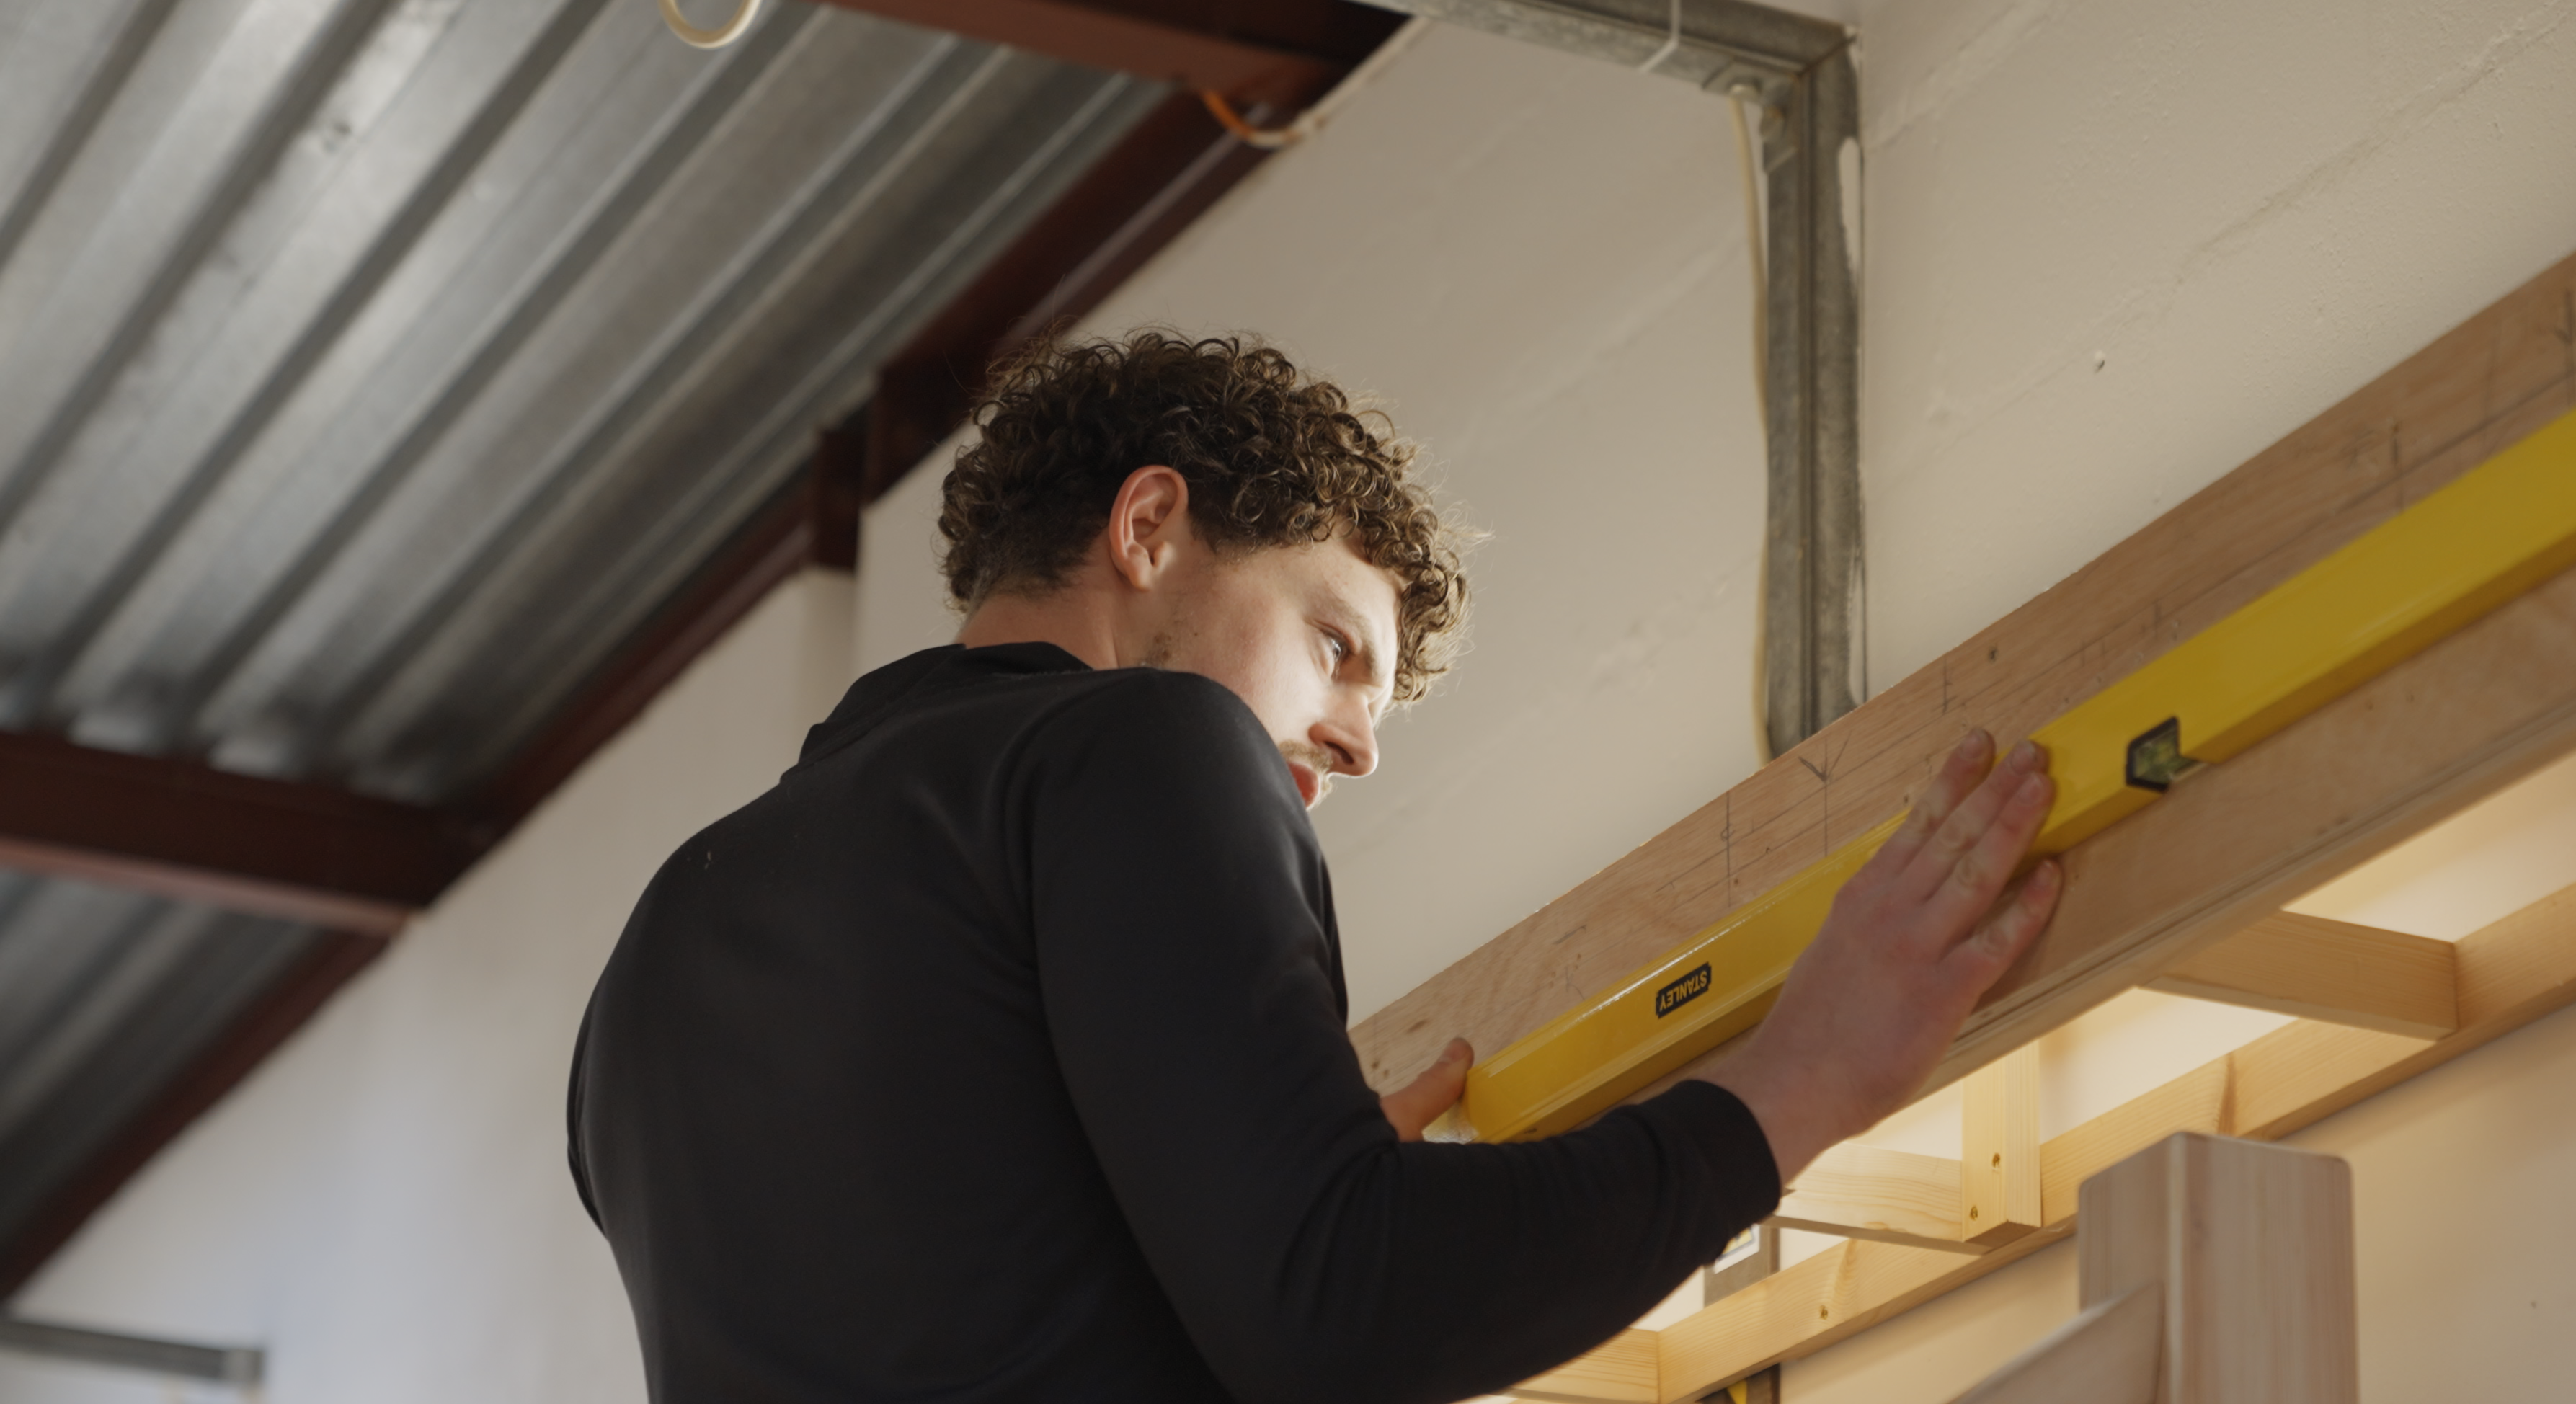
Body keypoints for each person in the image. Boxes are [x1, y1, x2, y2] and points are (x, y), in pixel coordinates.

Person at [567, 332, 2063, 1404]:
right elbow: (1345, 1306)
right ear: (1150, 527)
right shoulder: (1141, 741)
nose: (1356, 744)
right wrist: (1802, 1080)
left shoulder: (659, 947)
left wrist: (1259, 1181)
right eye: (1337, 646)